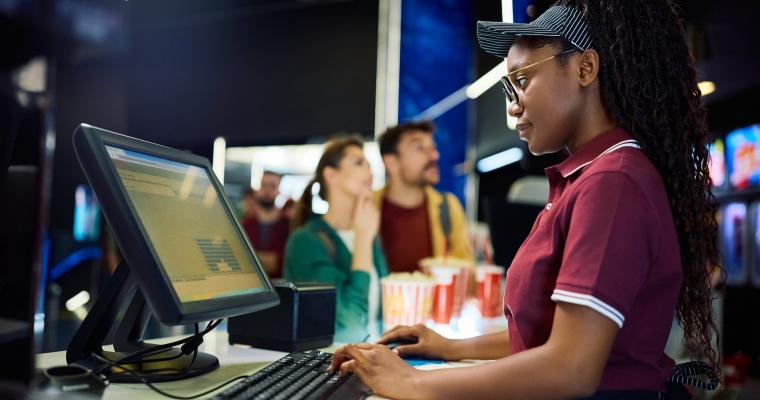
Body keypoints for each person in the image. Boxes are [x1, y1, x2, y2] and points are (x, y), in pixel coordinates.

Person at [328, 1, 722, 399]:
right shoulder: (592, 176)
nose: (513, 105)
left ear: (585, 68)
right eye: (508, 86)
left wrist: (413, 382)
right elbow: (548, 336)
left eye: (522, 80)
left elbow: (570, 368)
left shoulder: (613, 182)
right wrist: (450, 347)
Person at [283, 136, 388, 342]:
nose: (370, 172)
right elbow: (349, 320)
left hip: (373, 361)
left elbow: (380, 313)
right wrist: (363, 240)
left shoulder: (368, 232)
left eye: (369, 165)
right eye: (359, 163)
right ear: (331, 175)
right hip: (329, 367)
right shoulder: (305, 241)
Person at [374, 120, 473, 273]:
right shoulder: (367, 207)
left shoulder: (448, 206)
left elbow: (466, 271)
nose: (434, 155)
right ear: (391, 163)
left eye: (433, 147)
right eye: (419, 148)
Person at [241, 172, 290, 279]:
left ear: (279, 191)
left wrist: (254, 259)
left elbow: (286, 261)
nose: (267, 190)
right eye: (264, 185)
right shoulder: (245, 225)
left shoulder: (289, 225)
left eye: (272, 186)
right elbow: (240, 259)